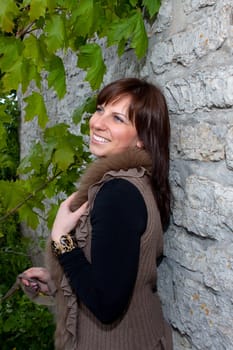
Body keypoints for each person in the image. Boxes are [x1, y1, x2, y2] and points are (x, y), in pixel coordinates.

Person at [21, 78, 173, 350]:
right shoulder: (135, 180)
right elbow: (112, 273)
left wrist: (61, 239)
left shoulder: (118, 193)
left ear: (141, 138)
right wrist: (57, 281)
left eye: (118, 118)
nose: (98, 123)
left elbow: (106, 304)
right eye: (100, 109)